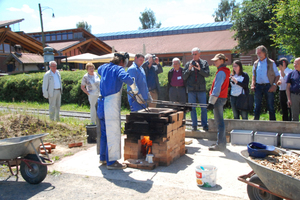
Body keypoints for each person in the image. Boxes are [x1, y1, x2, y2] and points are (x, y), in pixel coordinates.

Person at [97, 52, 139, 170]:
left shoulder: (104, 67)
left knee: (105, 133)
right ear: (122, 61)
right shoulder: (118, 69)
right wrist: (134, 88)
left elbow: (99, 70)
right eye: (125, 63)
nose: (125, 66)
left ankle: (103, 157)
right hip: (111, 104)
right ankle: (112, 162)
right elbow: (126, 78)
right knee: (113, 133)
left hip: (101, 103)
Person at [207, 53, 230, 151]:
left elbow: (217, 88)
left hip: (218, 99)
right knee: (220, 122)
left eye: (216, 60)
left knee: (219, 123)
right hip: (221, 98)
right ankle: (221, 143)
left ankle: (220, 145)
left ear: (222, 60)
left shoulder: (221, 72)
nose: (214, 62)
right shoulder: (225, 71)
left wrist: (211, 102)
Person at [183, 47, 210, 131]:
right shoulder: (188, 64)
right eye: (193, 54)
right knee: (192, 108)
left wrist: (199, 69)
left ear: (199, 54)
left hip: (201, 89)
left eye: (195, 54)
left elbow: (207, 74)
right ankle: (194, 125)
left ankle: (204, 125)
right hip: (191, 90)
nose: (194, 56)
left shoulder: (204, 63)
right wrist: (189, 69)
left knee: (203, 108)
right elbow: (184, 77)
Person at [251, 45, 280, 121]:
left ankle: (273, 123)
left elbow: (277, 75)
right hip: (258, 86)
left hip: (268, 85)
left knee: (270, 106)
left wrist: (274, 85)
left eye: (259, 53)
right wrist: (252, 84)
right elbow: (254, 75)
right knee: (257, 106)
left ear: (264, 53)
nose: (258, 54)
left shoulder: (271, 63)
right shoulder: (256, 63)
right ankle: (255, 122)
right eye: (257, 53)